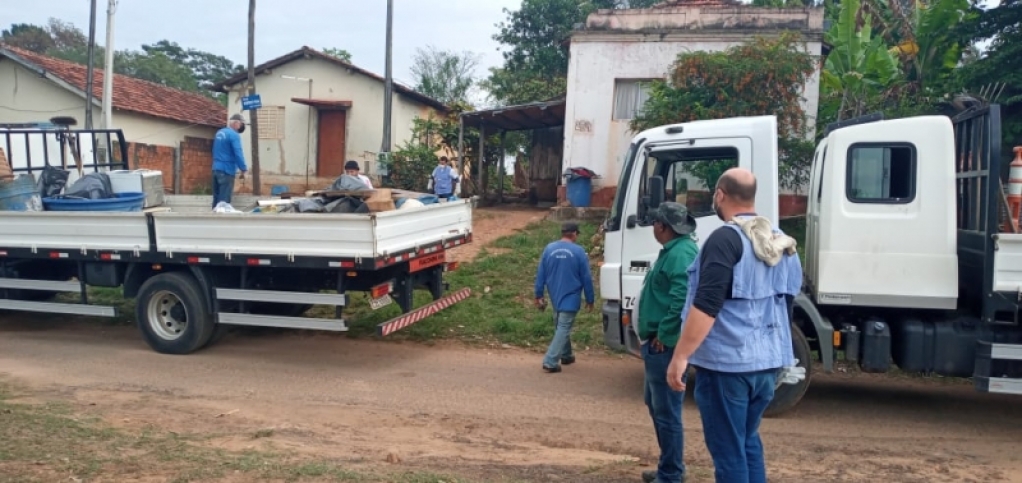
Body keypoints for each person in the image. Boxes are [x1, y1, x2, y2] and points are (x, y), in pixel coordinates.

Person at [666, 168, 802, 483]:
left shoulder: (725, 239)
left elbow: (707, 304)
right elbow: (787, 304)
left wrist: (681, 356)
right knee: (746, 439)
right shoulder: (780, 241)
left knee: (728, 453)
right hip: (767, 366)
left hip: (727, 367)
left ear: (720, 195)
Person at [638, 202, 699, 483]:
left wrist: (665, 334)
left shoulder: (680, 254)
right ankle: (668, 467)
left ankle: (672, 474)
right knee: (656, 404)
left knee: (666, 412)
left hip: (664, 344)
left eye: (655, 223)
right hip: (657, 341)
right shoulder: (674, 251)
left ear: (662, 226)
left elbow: (681, 299)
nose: (653, 227)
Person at [534, 222, 595, 373]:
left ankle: (566, 355)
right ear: (574, 234)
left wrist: (538, 294)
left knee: (560, 325)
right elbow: (586, 278)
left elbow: (541, 274)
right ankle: (550, 361)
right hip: (571, 297)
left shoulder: (549, 249)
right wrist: (590, 298)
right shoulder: (579, 252)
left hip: (555, 295)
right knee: (563, 327)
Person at [211, 113, 248, 208]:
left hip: (216, 169)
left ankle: (213, 220)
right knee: (224, 201)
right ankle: (221, 221)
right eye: (241, 124)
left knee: (216, 198)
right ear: (236, 123)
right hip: (227, 170)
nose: (241, 126)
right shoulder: (234, 135)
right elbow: (238, 153)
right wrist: (243, 169)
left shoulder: (219, 132)